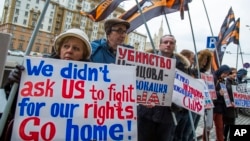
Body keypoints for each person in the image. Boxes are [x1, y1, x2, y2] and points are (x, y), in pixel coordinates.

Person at [1, 28, 92, 140]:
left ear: (83, 55)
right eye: (66, 46)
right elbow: (18, 107)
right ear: (59, 50)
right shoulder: (37, 71)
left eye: (76, 48)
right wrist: (13, 84)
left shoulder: (92, 81)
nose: (69, 50)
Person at [137, 35, 191, 141]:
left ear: (174, 46)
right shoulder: (146, 60)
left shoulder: (182, 67)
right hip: (146, 113)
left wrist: (177, 106)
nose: (168, 45)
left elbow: (184, 90)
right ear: (160, 45)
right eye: (165, 42)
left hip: (168, 115)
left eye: (171, 43)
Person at [182, 49, 212, 141]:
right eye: (204, 59)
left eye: (207, 60)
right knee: (187, 130)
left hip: (200, 105)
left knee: (192, 129)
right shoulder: (193, 71)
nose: (205, 62)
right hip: (191, 104)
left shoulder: (205, 74)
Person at [212, 64, 231, 141]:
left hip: (220, 107)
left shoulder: (222, 80)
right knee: (208, 127)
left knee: (220, 126)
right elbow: (209, 92)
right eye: (225, 73)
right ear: (221, 71)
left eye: (227, 74)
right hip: (213, 106)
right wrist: (219, 93)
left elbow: (224, 93)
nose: (225, 75)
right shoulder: (213, 78)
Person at [223, 67, 238, 141]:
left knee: (230, 124)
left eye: (236, 73)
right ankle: (225, 138)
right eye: (233, 73)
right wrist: (230, 101)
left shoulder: (234, 82)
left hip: (234, 107)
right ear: (229, 73)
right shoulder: (226, 82)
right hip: (228, 107)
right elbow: (226, 94)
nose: (235, 74)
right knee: (228, 124)